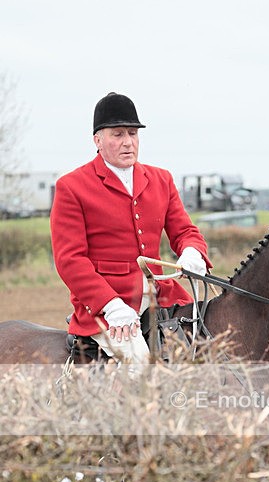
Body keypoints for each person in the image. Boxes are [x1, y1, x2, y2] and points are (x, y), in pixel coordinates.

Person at [50, 91, 211, 364]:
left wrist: (193, 252)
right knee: (139, 365)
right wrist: (110, 305)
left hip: (162, 295)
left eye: (133, 134)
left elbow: (184, 232)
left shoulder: (161, 179)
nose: (128, 143)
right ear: (97, 140)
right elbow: (70, 260)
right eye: (118, 134)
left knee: (211, 341)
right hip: (107, 307)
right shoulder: (72, 186)